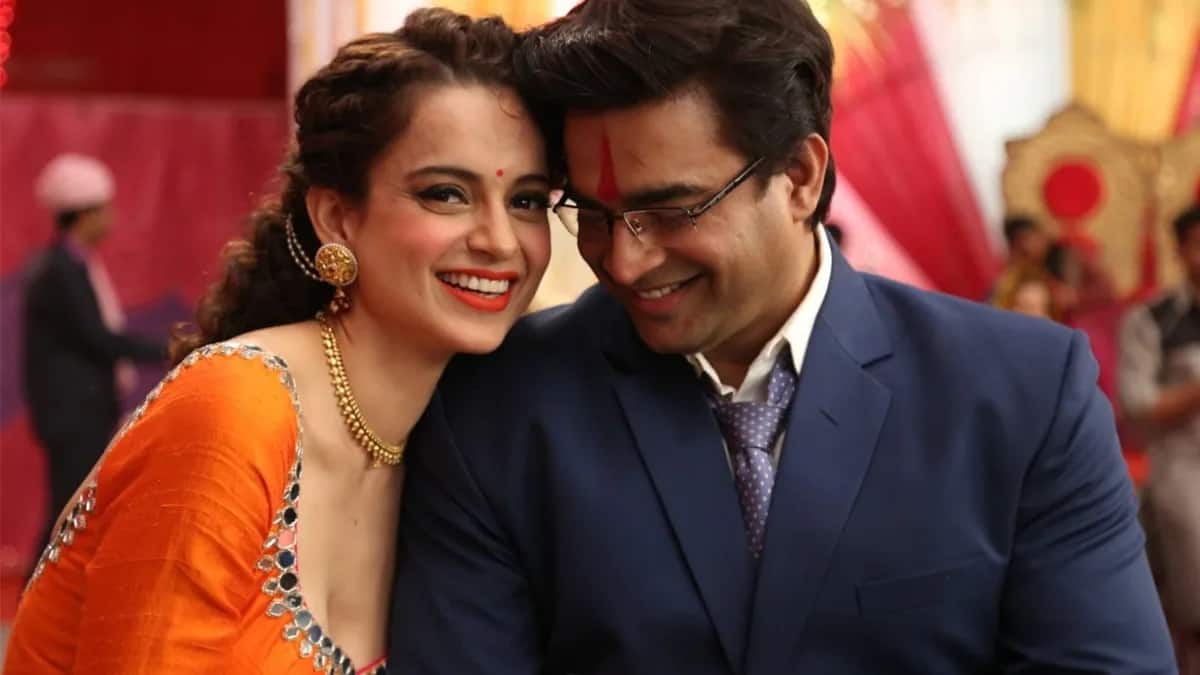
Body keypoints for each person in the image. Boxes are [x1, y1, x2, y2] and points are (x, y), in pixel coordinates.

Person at [391, 1, 1173, 673]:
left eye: (673, 210)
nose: (624, 261)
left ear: (800, 176)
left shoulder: (1021, 395)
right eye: (592, 214)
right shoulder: (496, 410)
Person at [5, 9, 552, 674]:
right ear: (337, 218)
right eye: (446, 193)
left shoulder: (445, 441)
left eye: (527, 200)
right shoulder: (236, 410)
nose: (500, 241)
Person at [22, 153, 165, 568]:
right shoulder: (61, 271)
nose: (112, 218)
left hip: (82, 411)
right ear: (85, 215)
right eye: (105, 209)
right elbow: (97, 338)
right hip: (73, 415)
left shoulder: (75, 265)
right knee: (67, 512)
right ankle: (37, 595)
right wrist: (167, 349)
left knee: (75, 511)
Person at [1120, 204, 1200, 673]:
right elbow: (1138, 406)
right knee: (1194, 609)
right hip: (1183, 472)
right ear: (1181, 251)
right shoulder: (1153, 320)